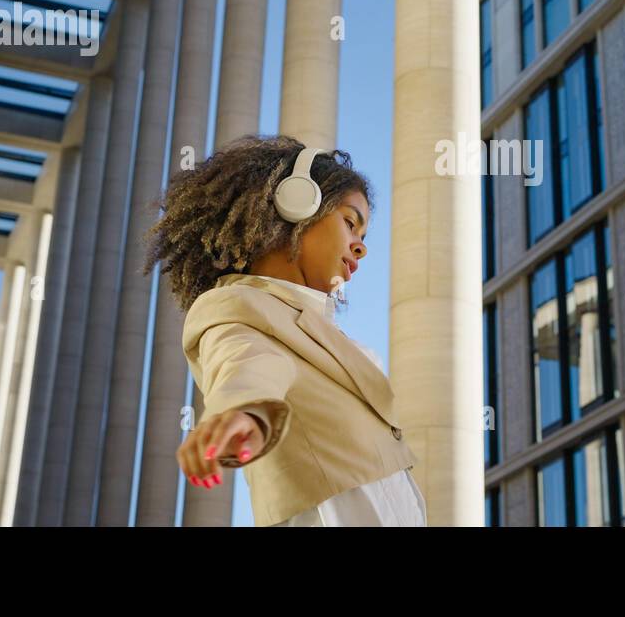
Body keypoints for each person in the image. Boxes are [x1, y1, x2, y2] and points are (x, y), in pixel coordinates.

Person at [145, 134, 426, 526]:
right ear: (295, 203)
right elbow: (248, 362)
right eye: (350, 223)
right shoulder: (237, 305)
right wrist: (242, 412)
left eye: (363, 237)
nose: (360, 247)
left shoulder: (332, 337)